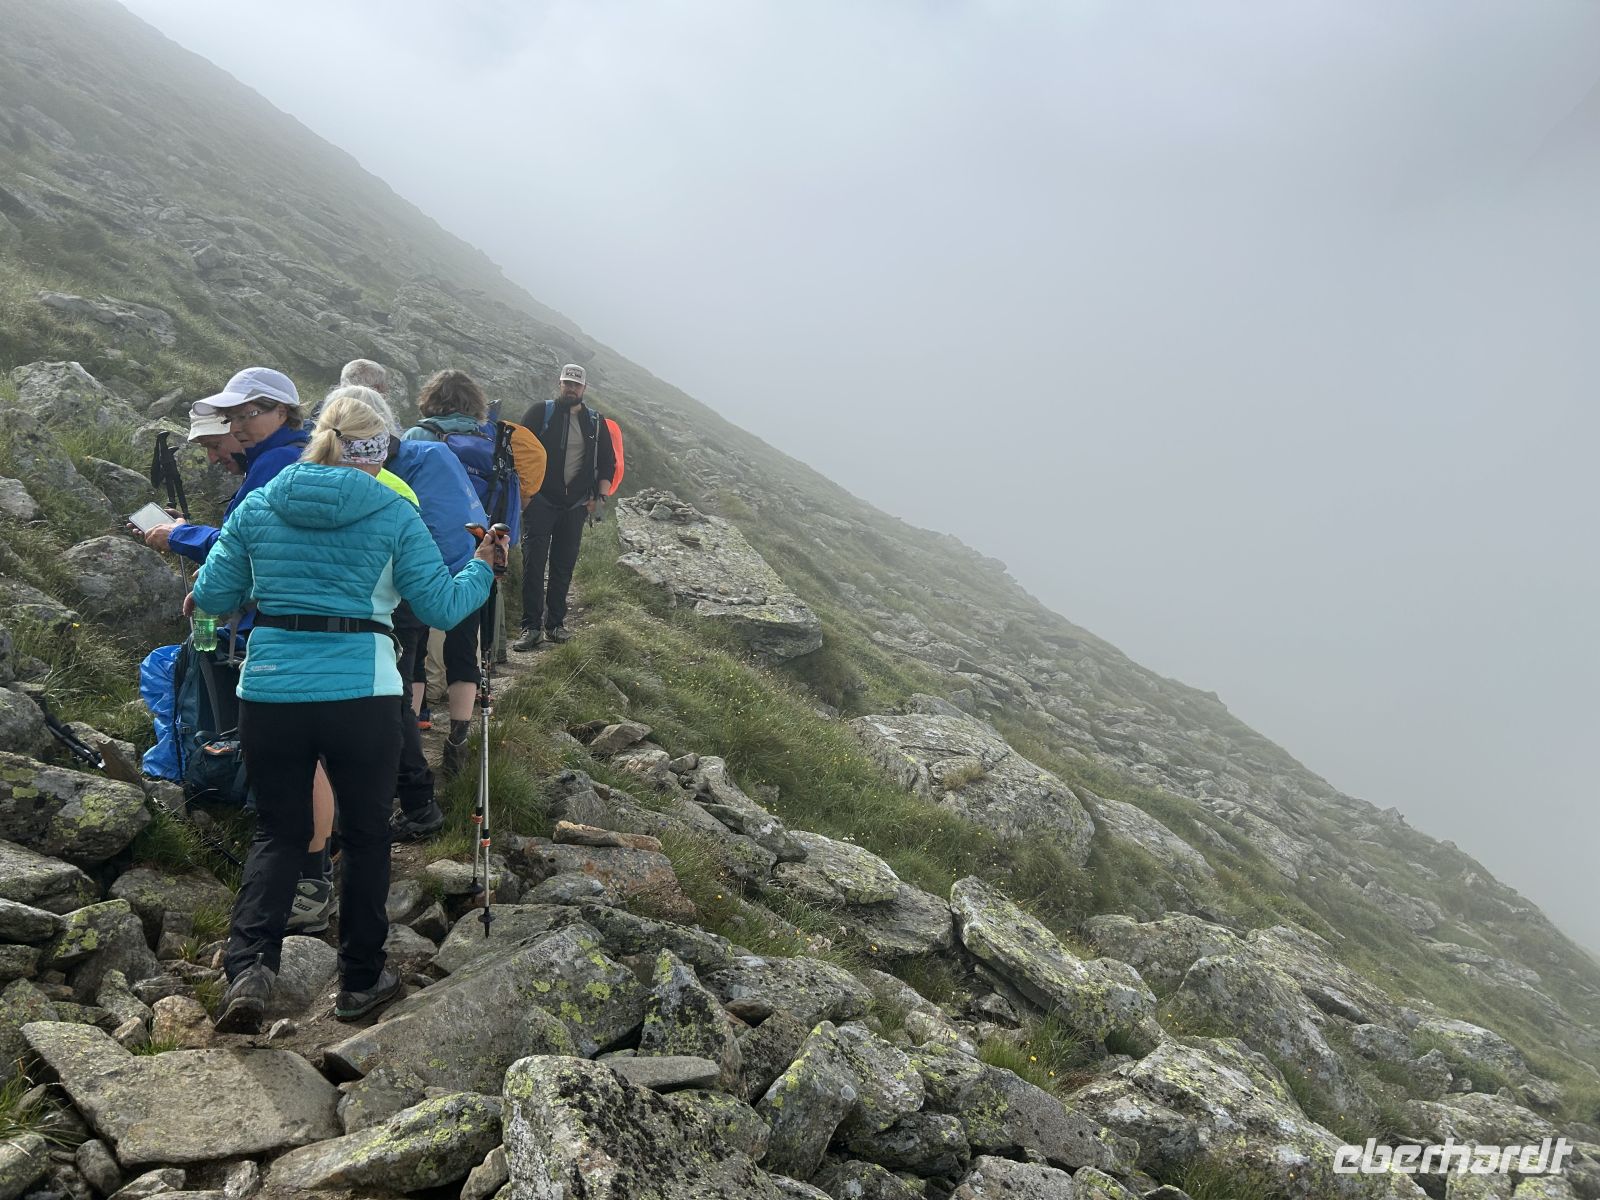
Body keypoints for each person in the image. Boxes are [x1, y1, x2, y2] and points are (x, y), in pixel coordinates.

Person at [195, 388, 501, 1031]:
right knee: (366, 833)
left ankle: (250, 967)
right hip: (362, 689)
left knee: (279, 831)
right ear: (378, 448)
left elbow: (216, 592)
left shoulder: (261, 501)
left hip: (271, 688)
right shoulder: (394, 511)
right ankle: (362, 979)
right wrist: (483, 564)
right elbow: (444, 608)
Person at [141, 370, 339, 934]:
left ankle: (304, 874)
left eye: (248, 414)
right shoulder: (289, 460)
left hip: (283, 626)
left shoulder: (279, 465)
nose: (238, 427)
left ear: (283, 412)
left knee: (297, 752)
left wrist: (182, 543)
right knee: (314, 747)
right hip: (327, 628)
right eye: (233, 417)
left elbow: (242, 544)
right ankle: (318, 860)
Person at [401, 369, 543, 776]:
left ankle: (407, 742)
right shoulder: (495, 443)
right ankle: (457, 741)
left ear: (431, 399)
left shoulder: (418, 438)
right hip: (476, 557)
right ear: (474, 403)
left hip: (419, 557)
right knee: (464, 649)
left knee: (412, 647)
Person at [513, 364, 617, 650]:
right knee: (534, 564)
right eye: (567, 383)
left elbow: (608, 462)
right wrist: (525, 494)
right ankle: (531, 627)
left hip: (576, 505)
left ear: (584, 388)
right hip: (541, 501)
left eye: (576, 385)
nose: (571, 388)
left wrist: (601, 497)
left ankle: (555, 624)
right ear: (559, 384)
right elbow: (518, 452)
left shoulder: (596, 422)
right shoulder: (539, 412)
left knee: (563, 566)